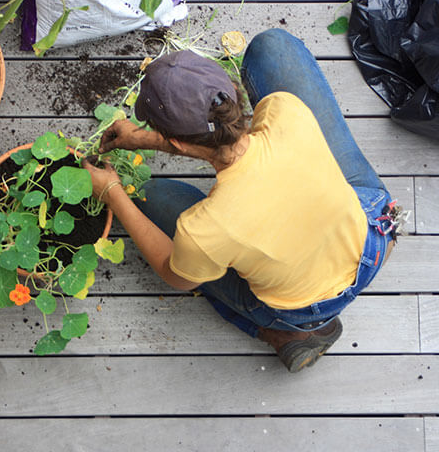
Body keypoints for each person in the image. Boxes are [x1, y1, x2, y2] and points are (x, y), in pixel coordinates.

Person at [82, 29, 399, 373]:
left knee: (150, 197)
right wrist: (144, 139)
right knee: (273, 47)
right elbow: (226, 144)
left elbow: (174, 275)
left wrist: (112, 191)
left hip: (303, 306)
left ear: (179, 145)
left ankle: (289, 332)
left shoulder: (205, 230)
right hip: (376, 236)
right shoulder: (285, 111)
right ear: (233, 91)